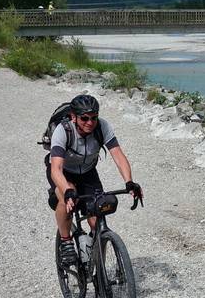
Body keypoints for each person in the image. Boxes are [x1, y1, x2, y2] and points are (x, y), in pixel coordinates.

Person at [47, 94, 142, 265]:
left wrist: (129, 182)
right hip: (64, 172)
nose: (90, 122)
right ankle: (66, 241)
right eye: (84, 118)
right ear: (74, 117)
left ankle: (98, 269)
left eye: (94, 117)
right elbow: (56, 169)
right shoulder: (63, 131)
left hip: (88, 172)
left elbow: (118, 155)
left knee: (97, 219)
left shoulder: (102, 127)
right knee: (66, 199)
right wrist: (67, 191)